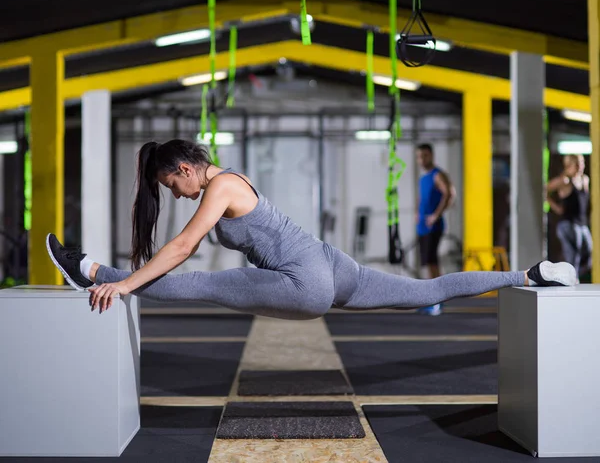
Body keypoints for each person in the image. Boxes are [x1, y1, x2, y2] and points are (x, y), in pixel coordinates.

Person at [46, 139, 576, 316]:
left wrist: (123, 282)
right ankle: (534, 275)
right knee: (424, 292)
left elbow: (184, 247)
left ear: (185, 170)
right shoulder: (229, 180)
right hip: (333, 266)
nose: (176, 195)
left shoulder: (220, 187)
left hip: (309, 281)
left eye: (171, 186)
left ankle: (90, 269)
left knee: (200, 283)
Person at [415, 143, 456, 316]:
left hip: (433, 226)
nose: (422, 159)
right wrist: (418, 214)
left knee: (432, 263)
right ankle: (432, 300)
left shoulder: (437, 175)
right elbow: (423, 200)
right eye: (419, 156)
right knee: (427, 263)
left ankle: (437, 301)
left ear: (431, 156)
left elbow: (450, 194)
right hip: (423, 227)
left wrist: (436, 215)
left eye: (425, 155)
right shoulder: (423, 178)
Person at [547, 154, 592, 282]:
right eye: (577, 164)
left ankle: (569, 276)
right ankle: (571, 279)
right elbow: (545, 190)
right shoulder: (564, 181)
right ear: (569, 166)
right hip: (568, 223)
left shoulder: (584, 180)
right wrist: (556, 207)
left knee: (588, 252)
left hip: (581, 223)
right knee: (573, 254)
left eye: (581, 163)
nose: (580, 167)